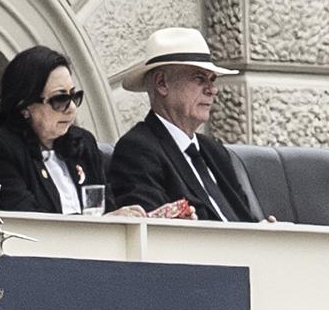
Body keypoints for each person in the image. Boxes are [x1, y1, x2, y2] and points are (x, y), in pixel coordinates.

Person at [0, 45, 144, 217]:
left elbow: (106, 209)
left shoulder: (83, 143)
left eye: (74, 96)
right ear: (24, 107)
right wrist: (100, 223)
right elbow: (26, 223)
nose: (71, 108)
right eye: (60, 99)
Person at [107, 27, 263, 222]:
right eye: (199, 78)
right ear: (162, 83)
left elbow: (244, 218)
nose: (212, 90)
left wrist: (263, 230)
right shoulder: (137, 150)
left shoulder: (215, 151)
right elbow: (153, 229)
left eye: (212, 79)